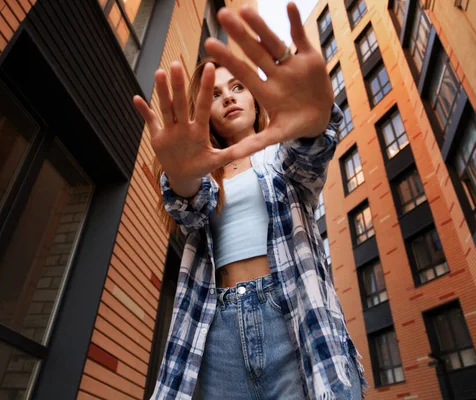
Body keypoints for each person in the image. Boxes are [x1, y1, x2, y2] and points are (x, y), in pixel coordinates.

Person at [133, 3, 368, 399]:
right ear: (207, 115)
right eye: (218, 95)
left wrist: (314, 124)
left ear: (257, 98)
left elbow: (308, 161)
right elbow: (187, 210)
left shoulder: (280, 157)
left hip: (290, 315)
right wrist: (182, 176)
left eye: (239, 87)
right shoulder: (205, 176)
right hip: (217, 328)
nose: (229, 98)